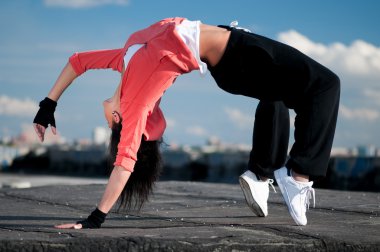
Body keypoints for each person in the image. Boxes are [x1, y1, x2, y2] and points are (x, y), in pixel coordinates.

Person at [33, 17, 340, 228]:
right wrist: (95, 218)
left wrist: (48, 105)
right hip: (236, 56)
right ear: (120, 121)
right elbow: (125, 162)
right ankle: (298, 176)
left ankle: (261, 175)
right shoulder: (136, 104)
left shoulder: (124, 61)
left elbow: (77, 62)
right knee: (326, 85)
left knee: (280, 93)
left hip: (234, 48)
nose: (156, 115)